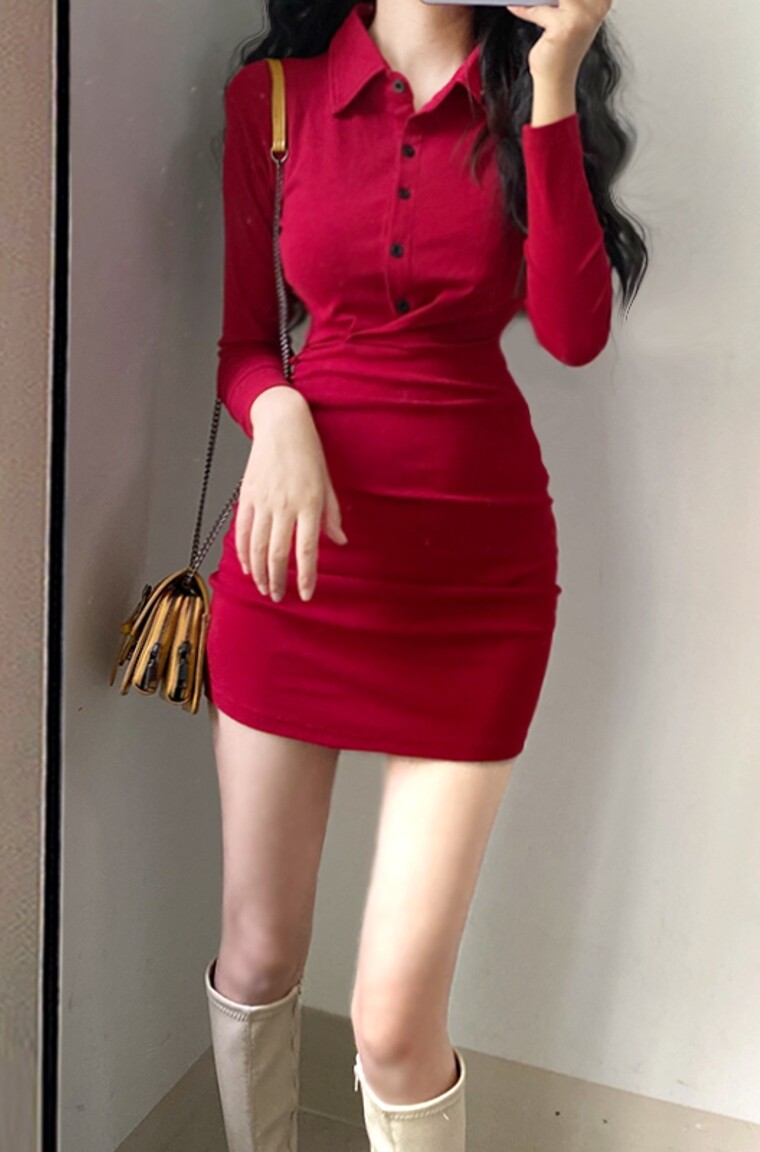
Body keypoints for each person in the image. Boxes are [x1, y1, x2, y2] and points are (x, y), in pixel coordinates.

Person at [201, 1, 647, 1150]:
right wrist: (279, 412)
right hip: (292, 569)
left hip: (476, 589)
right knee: (257, 956)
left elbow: (573, 332)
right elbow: (244, 343)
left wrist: (556, 74)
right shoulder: (276, 103)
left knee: (396, 1024)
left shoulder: (523, 102)